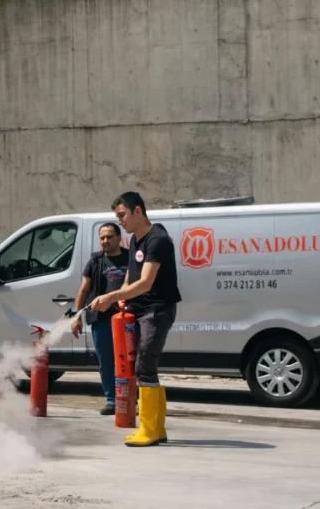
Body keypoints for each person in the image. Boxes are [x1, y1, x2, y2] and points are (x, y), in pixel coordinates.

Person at [89, 191, 182, 447]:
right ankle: (157, 429)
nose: (120, 221)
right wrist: (122, 298)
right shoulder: (134, 239)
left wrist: (110, 296)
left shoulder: (157, 239)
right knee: (145, 368)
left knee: (144, 368)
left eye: (122, 215)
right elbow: (131, 276)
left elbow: (146, 282)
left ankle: (149, 430)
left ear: (138, 211)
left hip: (157, 311)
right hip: (141, 310)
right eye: (117, 216)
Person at [71, 223, 129, 415]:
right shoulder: (95, 261)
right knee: (106, 362)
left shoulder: (131, 258)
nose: (105, 241)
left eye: (109, 237)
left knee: (128, 360)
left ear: (119, 238)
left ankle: (129, 398)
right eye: (102, 238)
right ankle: (112, 401)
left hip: (127, 318)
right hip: (101, 320)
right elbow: (84, 290)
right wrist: (77, 316)